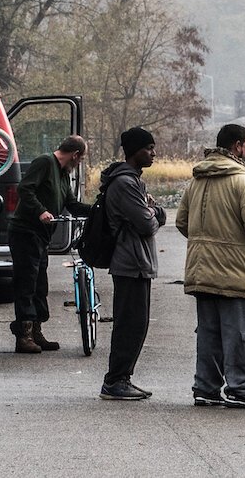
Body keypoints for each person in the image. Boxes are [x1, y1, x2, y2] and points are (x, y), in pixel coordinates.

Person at [175, 123, 245, 409]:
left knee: (210, 335)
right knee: (244, 334)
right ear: (236, 146)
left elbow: (182, 222)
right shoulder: (243, 181)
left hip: (202, 270)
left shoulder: (197, 180)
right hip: (240, 273)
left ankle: (206, 389)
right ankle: (240, 388)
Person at [98, 126, 168, 402]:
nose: (154, 153)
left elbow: (147, 218)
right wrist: (155, 210)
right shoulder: (126, 184)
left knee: (136, 324)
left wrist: (151, 210)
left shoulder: (133, 181)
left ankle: (121, 378)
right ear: (134, 151)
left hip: (136, 262)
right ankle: (115, 381)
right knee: (131, 324)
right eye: (148, 148)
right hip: (130, 262)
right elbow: (147, 224)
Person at [7, 134, 89, 354]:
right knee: (26, 282)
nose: (78, 164)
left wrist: (95, 211)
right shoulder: (45, 162)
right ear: (75, 155)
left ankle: (36, 330)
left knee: (39, 284)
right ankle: (23, 334)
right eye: (80, 160)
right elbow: (25, 188)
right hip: (25, 231)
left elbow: (70, 203)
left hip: (41, 236)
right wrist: (41, 210)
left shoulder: (63, 175)